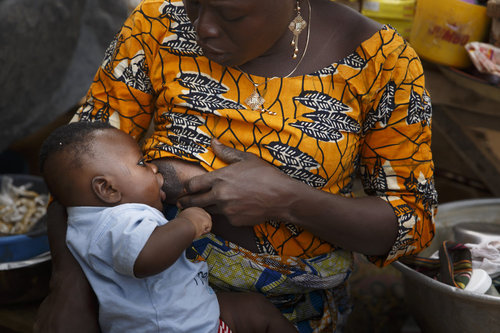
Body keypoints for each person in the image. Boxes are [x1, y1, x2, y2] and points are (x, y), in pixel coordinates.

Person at [35, 0, 438, 332]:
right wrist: (69, 288)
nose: (202, 27)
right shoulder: (156, 25)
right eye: (194, 4)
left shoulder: (382, 61)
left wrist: (289, 200)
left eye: (231, 14)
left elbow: (411, 222)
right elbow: (74, 163)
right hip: (135, 302)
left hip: (284, 315)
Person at [38, 121, 297, 333]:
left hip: (177, 317)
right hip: (181, 327)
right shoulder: (121, 219)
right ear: (107, 189)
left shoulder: (80, 224)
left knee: (252, 308)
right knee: (258, 314)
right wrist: (188, 224)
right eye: (141, 163)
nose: (153, 168)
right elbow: (145, 258)